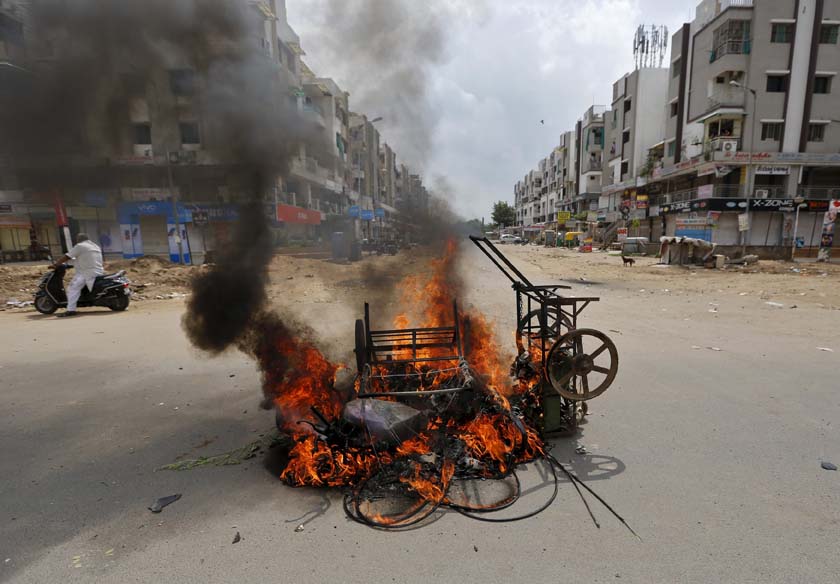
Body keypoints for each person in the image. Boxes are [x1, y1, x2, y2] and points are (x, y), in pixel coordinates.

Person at [51, 233, 104, 317]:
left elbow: (67, 256)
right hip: (98, 270)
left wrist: (56, 264)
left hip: (86, 273)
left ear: (79, 239)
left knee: (72, 289)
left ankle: (70, 310)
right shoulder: (95, 246)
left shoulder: (80, 246)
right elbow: (85, 258)